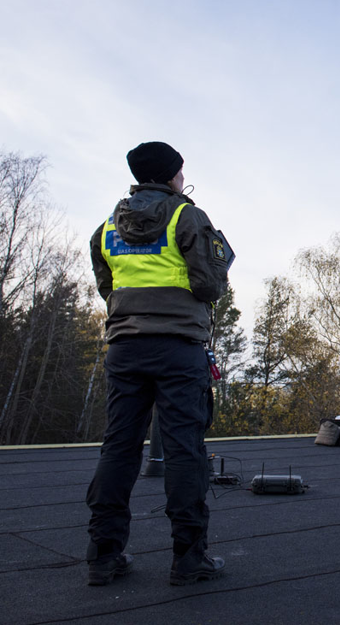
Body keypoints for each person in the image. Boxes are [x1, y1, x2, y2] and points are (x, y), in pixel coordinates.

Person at [86, 141, 230, 586]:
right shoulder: (187, 217)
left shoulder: (108, 226)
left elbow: (106, 285)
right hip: (177, 349)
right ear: (170, 175)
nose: (183, 180)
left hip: (125, 348)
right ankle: (188, 560)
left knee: (119, 448)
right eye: (181, 173)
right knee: (184, 450)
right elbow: (209, 286)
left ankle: (103, 557)